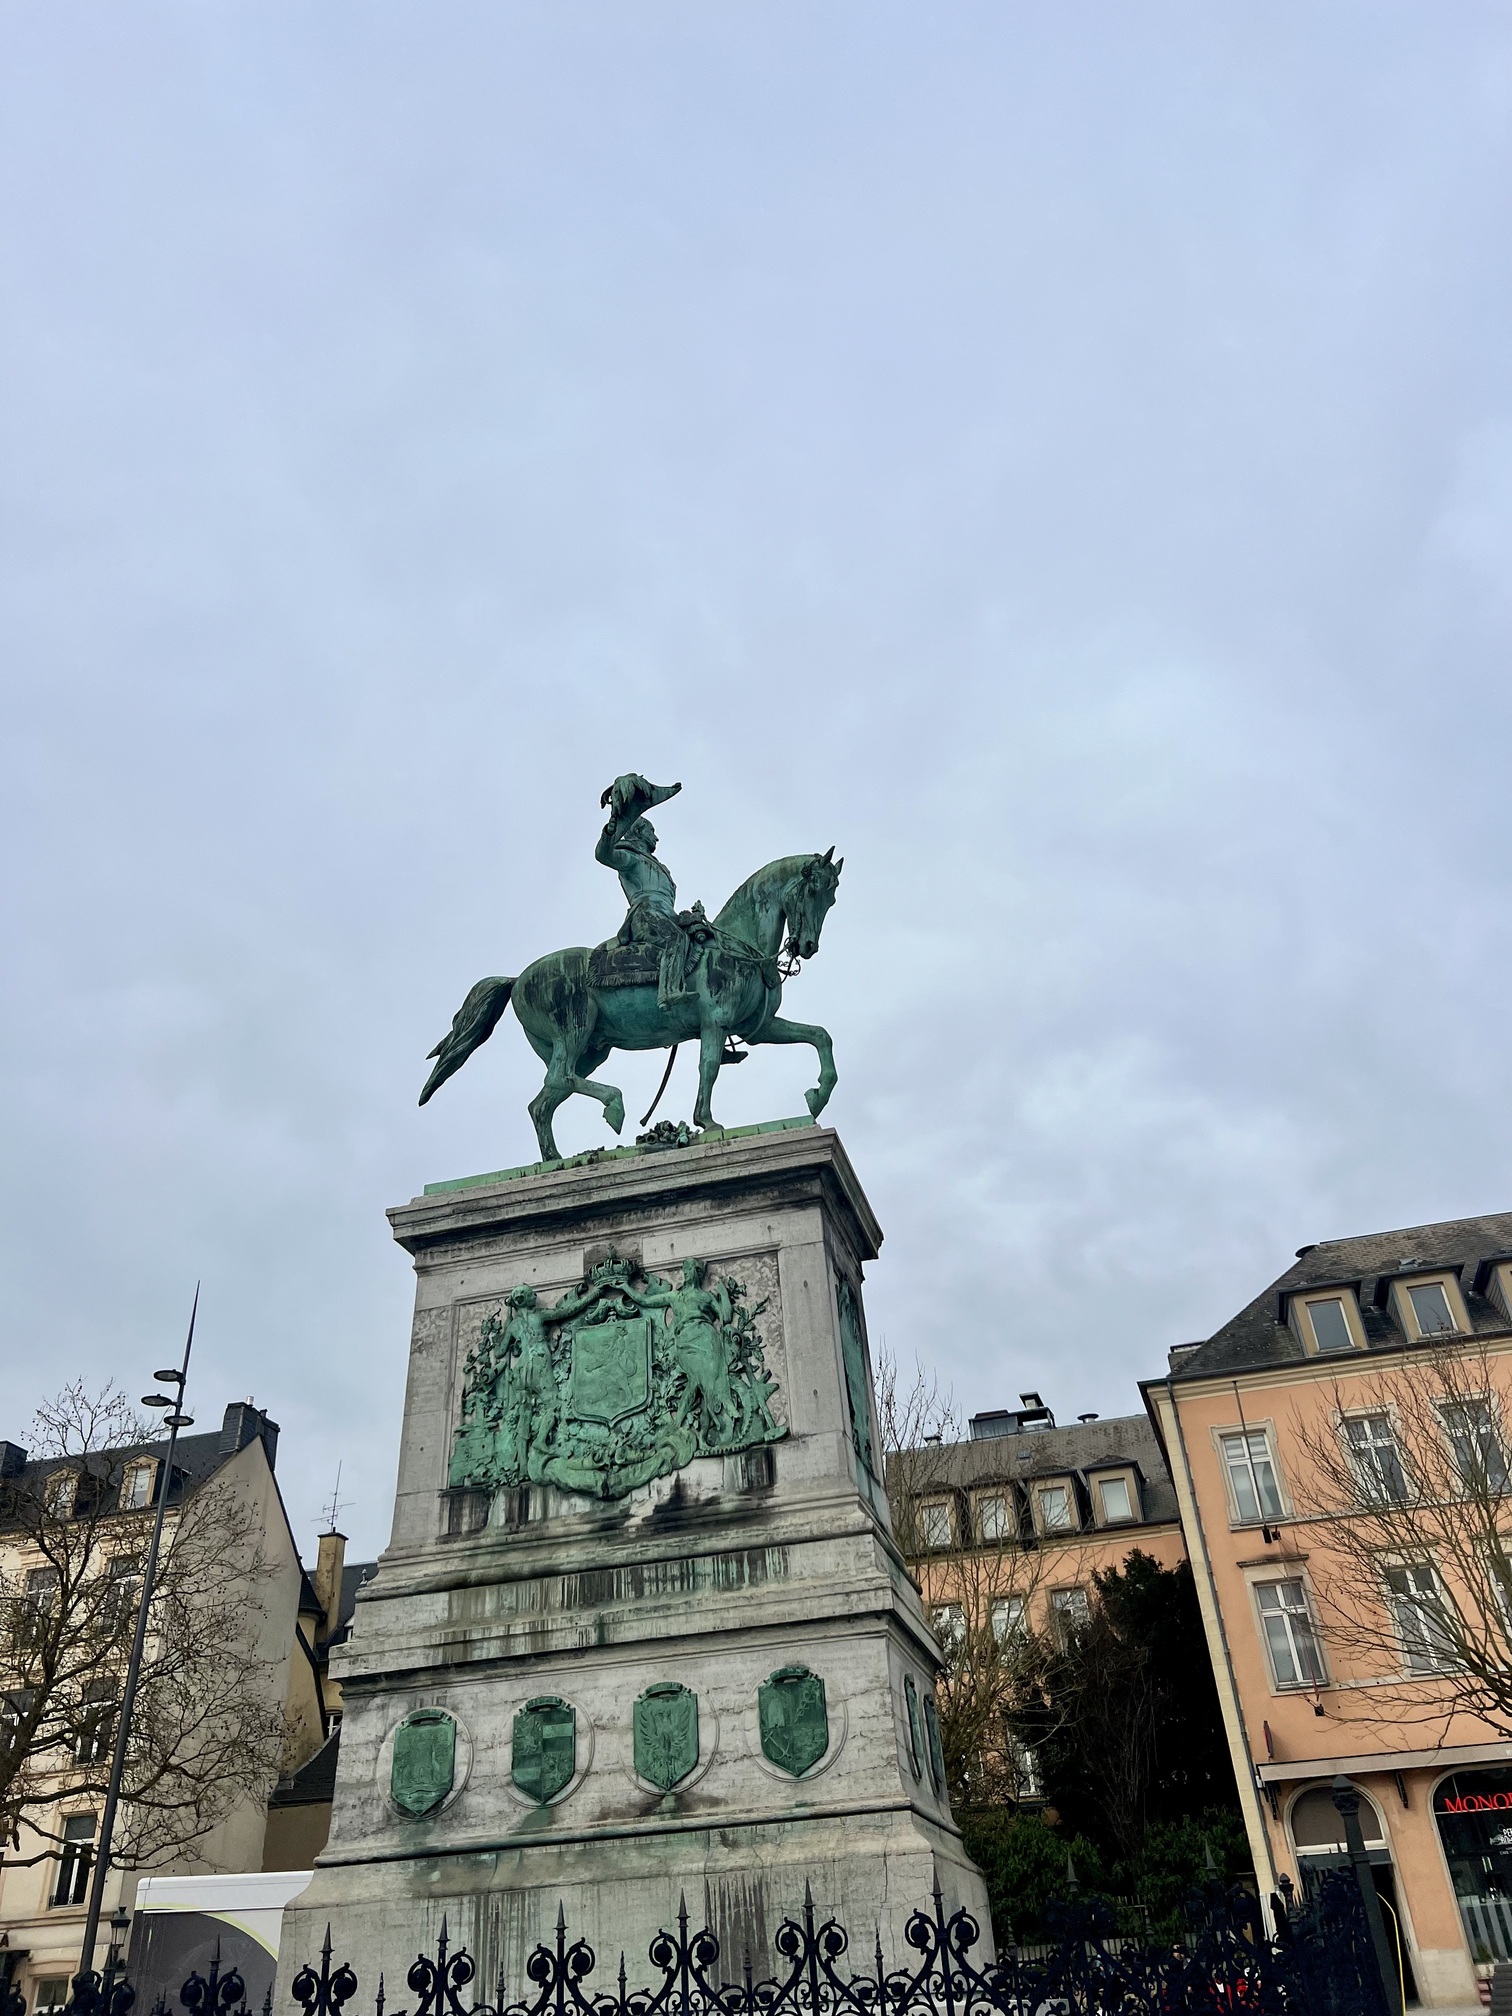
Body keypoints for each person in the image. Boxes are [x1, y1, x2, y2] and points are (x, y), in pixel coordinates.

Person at [595, 774, 699, 1009]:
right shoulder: (630, 857)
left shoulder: (658, 866)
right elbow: (604, 855)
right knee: (675, 940)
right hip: (645, 915)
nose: (656, 837)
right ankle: (668, 992)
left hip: (665, 915)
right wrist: (609, 834)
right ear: (640, 833)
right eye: (652, 832)